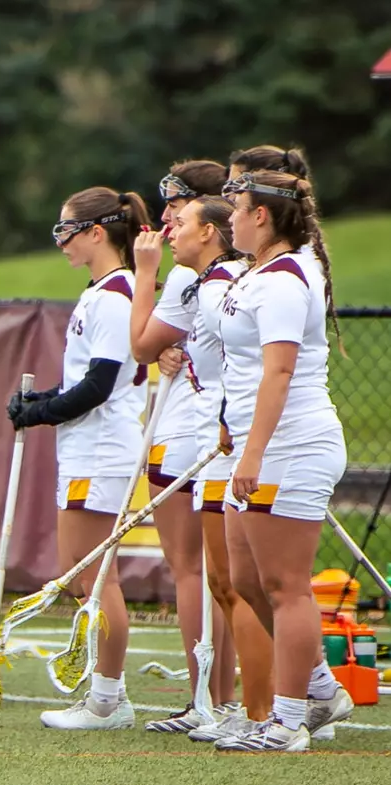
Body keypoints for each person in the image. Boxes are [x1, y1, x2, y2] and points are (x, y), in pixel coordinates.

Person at [214, 169, 350, 752]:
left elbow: (280, 371)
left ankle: (289, 719)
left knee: (285, 585)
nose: (230, 219)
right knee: (245, 578)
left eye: (237, 208)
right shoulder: (256, 274)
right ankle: (321, 689)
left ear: (261, 215)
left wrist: (253, 452)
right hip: (260, 444)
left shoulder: (284, 281)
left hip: (291, 445)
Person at [131, 194, 274, 741]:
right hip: (214, 435)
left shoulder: (224, 287)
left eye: (181, 222)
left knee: (244, 583)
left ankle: (273, 707)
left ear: (210, 231)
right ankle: (271, 702)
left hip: (229, 438)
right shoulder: (208, 284)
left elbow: (251, 365)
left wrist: (237, 431)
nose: (169, 231)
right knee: (225, 581)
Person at [8, 187, 151, 731]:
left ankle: (109, 699)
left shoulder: (116, 295)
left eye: (67, 230)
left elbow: (99, 385)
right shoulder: (98, 293)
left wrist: (42, 413)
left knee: (96, 577)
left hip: (102, 448)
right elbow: (79, 380)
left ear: (97, 232)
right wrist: (41, 400)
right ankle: (106, 692)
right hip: (84, 448)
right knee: (79, 575)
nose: (61, 241)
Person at [126, 160, 228, 733]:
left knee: (198, 570)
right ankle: (223, 699)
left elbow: (142, 345)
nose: (165, 218)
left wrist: (145, 273)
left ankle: (212, 699)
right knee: (222, 574)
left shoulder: (201, 276)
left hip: (199, 427)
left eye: (176, 206)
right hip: (206, 426)